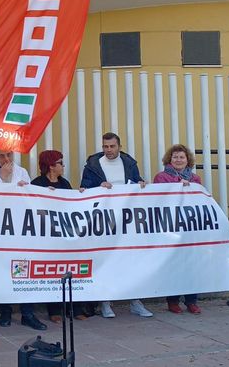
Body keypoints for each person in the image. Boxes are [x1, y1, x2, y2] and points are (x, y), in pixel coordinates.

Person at [80, 132, 151, 319]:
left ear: (119, 146)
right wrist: (98, 186)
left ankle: (135, 301)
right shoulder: (93, 166)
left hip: (128, 219)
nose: (108, 150)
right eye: (105, 146)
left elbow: (137, 181)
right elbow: (84, 188)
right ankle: (106, 302)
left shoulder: (129, 163)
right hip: (105, 220)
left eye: (112, 146)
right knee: (107, 260)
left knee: (131, 260)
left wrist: (141, 184)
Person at [0, 150, 44, 329]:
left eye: (9, 155)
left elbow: (30, 198)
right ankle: (5, 311)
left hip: (20, 228)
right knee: (3, 270)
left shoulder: (22, 171)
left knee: (23, 269)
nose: (7, 159)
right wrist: (2, 178)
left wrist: (24, 189)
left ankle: (27, 313)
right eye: (1, 156)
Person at [31, 150, 93, 321]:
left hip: (64, 234)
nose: (63, 166)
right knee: (52, 272)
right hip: (47, 237)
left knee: (70, 269)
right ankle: (55, 311)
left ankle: (74, 308)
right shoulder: (37, 184)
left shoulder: (64, 183)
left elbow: (71, 206)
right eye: (60, 163)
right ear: (51, 166)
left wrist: (80, 196)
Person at [152, 144, 203, 315]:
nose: (178, 160)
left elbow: (199, 200)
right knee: (172, 264)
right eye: (175, 157)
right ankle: (172, 301)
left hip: (189, 227)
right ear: (169, 159)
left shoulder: (195, 179)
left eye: (182, 157)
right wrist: (179, 187)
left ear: (187, 160)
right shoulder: (161, 177)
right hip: (170, 226)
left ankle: (191, 301)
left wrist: (189, 188)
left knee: (191, 265)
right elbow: (160, 199)